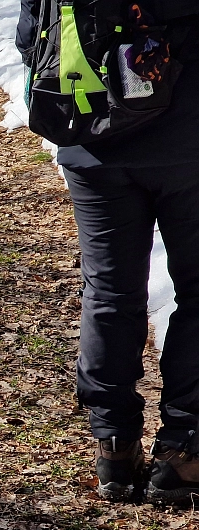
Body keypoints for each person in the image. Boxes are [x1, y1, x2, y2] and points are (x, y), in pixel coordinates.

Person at [17, 0, 199, 503]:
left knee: (109, 291)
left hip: (92, 140)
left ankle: (115, 448)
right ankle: (183, 453)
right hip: (188, 143)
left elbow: (31, 36)